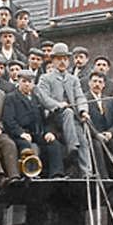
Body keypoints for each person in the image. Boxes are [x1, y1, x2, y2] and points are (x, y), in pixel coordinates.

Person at [36, 43, 92, 177]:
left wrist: (83, 111)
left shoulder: (73, 79)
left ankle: (87, 173)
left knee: (83, 138)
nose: (62, 62)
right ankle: (72, 148)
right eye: (59, 59)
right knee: (67, 112)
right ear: (53, 60)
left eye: (65, 59)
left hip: (72, 119)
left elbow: (80, 97)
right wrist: (58, 105)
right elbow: (43, 98)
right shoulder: (45, 78)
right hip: (54, 117)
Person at [3, 70, 66, 179]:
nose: (27, 84)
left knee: (53, 143)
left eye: (30, 81)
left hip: (36, 133)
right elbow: (9, 120)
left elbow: (44, 120)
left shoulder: (36, 98)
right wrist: (20, 133)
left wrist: (48, 132)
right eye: (24, 81)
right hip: (19, 135)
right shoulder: (11, 98)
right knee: (27, 146)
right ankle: (31, 174)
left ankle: (57, 174)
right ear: (18, 82)